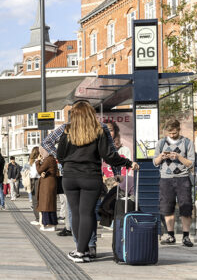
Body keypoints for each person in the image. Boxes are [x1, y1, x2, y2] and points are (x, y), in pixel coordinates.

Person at [56, 101, 136, 262]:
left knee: (76, 213)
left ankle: (82, 250)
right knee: (87, 213)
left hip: (70, 177)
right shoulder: (99, 130)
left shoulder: (67, 131)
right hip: (90, 176)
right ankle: (81, 251)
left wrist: (70, 163)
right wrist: (128, 163)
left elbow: (60, 155)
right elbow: (109, 156)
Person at [154, 118, 195, 247]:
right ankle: (170, 235)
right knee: (167, 206)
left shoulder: (187, 142)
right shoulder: (161, 143)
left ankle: (186, 236)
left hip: (182, 178)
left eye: (174, 133)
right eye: (170, 133)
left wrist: (178, 157)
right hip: (166, 178)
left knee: (186, 206)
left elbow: (190, 163)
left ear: (179, 129)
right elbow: (155, 162)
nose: (172, 135)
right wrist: (162, 156)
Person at [36, 148, 59, 231]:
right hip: (49, 183)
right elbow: (45, 170)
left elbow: (39, 170)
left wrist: (38, 162)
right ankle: (51, 223)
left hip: (47, 185)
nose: (41, 154)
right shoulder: (51, 159)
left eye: (41, 152)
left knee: (46, 204)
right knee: (49, 204)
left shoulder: (48, 160)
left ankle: (49, 224)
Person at [27, 146, 41, 224]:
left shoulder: (34, 162)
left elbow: (34, 174)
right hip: (40, 180)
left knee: (35, 200)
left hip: (35, 180)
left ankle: (37, 218)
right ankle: (39, 217)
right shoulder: (40, 161)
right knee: (38, 199)